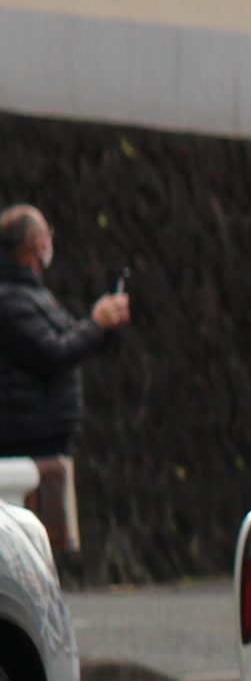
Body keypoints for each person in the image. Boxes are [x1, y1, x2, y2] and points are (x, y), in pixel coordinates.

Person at [0, 205, 128, 563]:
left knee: (45, 539)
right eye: (46, 235)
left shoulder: (32, 293)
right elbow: (52, 353)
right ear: (36, 243)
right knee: (31, 540)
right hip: (27, 435)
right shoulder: (10, 298)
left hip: (46, 435)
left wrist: (104, 326)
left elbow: (74, 339)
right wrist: (96, 323)